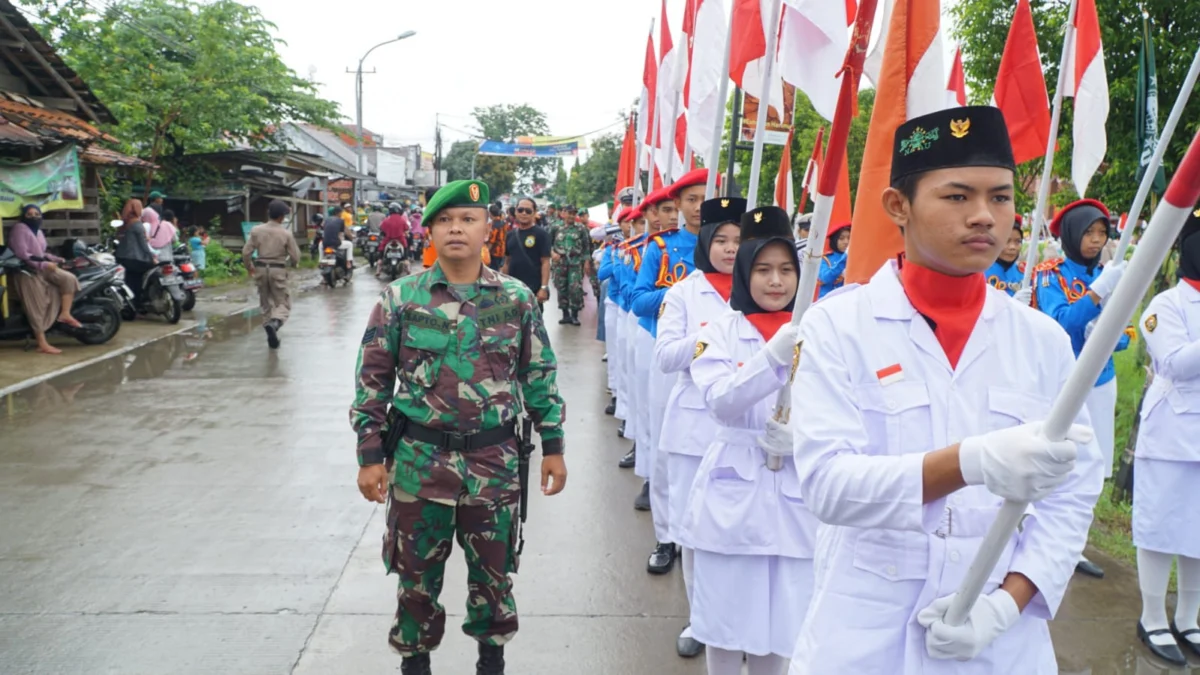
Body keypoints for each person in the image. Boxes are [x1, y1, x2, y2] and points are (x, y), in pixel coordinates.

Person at [789, 106, 1103, 673]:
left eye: (1001, 197)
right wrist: (971, 461)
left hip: (997, 639)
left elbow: (1073, 492)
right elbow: (827, 485)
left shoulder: (1042, 340)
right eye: (957, 196)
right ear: (898, 206)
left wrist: (1007, 606)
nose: (984, 216)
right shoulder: (838, 327)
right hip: (867, 628)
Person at [350, 179, 567, 675]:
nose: (456, 228)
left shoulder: (514, 298)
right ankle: (415, 664)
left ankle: (491, 661)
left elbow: (539, 374)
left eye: (468, 219)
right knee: (415, 580)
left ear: (488, 229)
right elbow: (373, 381)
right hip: (419, 466)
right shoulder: (401, 297)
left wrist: (553, 444)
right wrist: (368, 456)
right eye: (445, 220)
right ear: (428, 231)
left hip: (494, 465)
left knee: (494, 579)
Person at [685, 206, 815, 675]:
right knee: (725, 624)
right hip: (733, 491)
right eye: (762, 269)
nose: (776, 281)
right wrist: (771, 359)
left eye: (785, 270)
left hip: (797, 495)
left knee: (783, 627)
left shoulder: (818, 333)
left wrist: (803, 439)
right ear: (745, 271)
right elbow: (720, 402)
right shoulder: (719, 331)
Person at [655, 196, 745, 658]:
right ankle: (700, 619)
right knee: (696, 533)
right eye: (721, 240)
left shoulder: (765, 286)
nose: (730, 250)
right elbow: (667, 356)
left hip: (750, 432)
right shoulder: (684, 294)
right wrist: (715, 334)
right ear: (705, 241)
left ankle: (743, 621)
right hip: (695, 430)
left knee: (744, 531)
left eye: (738, 240)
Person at [1033, 198, 1130, 579]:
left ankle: (1076, 543)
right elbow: (1061, 321)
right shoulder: (1050, 275)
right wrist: (1095, 297)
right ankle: (1046, 536)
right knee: (1060, 460)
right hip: (1065, 380)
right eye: (1088, 232)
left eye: (1101, 233)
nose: (1095, 240)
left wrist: (1110, 335)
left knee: (1094, 466)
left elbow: (1128, 333)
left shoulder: (1109, 272)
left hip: (1101, 380)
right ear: (1072, 234)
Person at [632, 168, 711, 575]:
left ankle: (707, 533)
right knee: (668, 449)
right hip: (672, 356)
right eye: (691, 199)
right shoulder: (661, 247)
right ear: (677, 205)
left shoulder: (732, 245)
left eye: (705, 198)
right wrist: (686, 294)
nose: (699, 207)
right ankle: (666, 536)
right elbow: (638, 300)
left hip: (720, 358)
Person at [1132, 211, 1200, 666]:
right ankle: (1153, 615)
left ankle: (1190, 617)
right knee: (1160, 527)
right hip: (1173, 433)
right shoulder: (1165, 305)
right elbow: (1175, 364)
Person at [6, 204, 83, 353]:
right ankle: (42, 343)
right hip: (26, 271)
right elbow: (23, 255)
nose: (34, 216)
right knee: (37, 304)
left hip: (42, 267)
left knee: (68, 279)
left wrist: (57, 259)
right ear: (24, 216)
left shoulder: (39, 232)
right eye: (30, 214)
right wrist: (44, 264)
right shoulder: (19, 229)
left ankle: (65, 313)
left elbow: (42, 252)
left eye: (37, 213)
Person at [242, 200, 302, 349]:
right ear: (281, 217)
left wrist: (249, 266)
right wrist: (295, 264)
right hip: (278, 270)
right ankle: (275, 323)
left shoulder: (256, 230)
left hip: (260, 269)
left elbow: (246, 252)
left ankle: (271, 336)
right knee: (283, 303)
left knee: (266, 303)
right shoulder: (285, 233)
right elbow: (295, 256)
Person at [501, 197, 552, 311]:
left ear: (534, 213)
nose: (524, 213)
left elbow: (545, 262)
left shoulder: (542, 234)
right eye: (520, 210)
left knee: (533, 325)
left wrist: (544, 287)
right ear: (515, 212)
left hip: (533, 289)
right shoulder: (510, 235)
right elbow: (507, 262)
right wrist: (502, 285)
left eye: (528, 211)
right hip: (513, 289)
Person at [114, 199, 158, 309]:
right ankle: (139, 303)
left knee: (129, 281)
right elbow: (143, 245)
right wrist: (151, 257)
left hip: (122, 258)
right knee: (140, 281)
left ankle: (130, 305)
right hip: (135, 259)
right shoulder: (137, 224)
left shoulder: (125, 224)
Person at [551, 205, 591, 325]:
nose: (571, 216)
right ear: (563, 213)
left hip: (575, 263)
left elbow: (586, 247)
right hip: (560, 263)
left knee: (575, 289)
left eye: (574, 213)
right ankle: (565, 314)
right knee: (561, 288)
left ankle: (574, 315)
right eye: (569, 213)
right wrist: (552, 253)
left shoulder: (581, 229)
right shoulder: (555, 227)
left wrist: (587, 262)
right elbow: (548, 244)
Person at [986, 215, 1025, 296]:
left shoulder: (1025, 274)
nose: (1013, 247)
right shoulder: (978, 275)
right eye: (1006, 241)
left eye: (1018, 241)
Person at [816, 222, 850, 299]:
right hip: (827, 301)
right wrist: (845, 258)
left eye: (849, 238)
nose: (846, 242)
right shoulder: (825, 259)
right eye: (841, 238)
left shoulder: (855, 259)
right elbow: (826, 278)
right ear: (834, 240)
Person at [324, 206, 353, 273]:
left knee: (320, 246)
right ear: (339, 213)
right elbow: (343, 233)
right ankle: (348, 262)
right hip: (335, 243)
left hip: (325, 243)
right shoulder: (341, 221)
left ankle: (320, 261)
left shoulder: (327, 220)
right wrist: (351, 237)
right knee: (350, 244)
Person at [487, 203, 508, 272]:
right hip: (502, 250)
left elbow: (491, 241)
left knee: (492, 271)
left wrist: (486, 252)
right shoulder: (503, 223)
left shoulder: (494, 225)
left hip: (494, 252)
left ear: (490, 213)